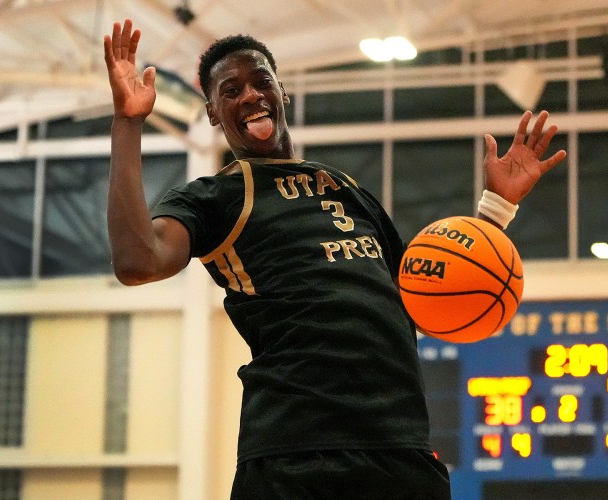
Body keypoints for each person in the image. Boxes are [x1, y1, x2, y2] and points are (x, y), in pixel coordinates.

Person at [103, 18, 566, 500]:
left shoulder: (349, 190)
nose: (250, 95)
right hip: (295, 454)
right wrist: (127, 122)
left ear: (282, 92)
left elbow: (426, 297)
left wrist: (495, 210)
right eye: (231, 89)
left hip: (401, 450)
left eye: (261, 81)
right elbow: (139, 261)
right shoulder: (216, 196)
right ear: (215, 114)